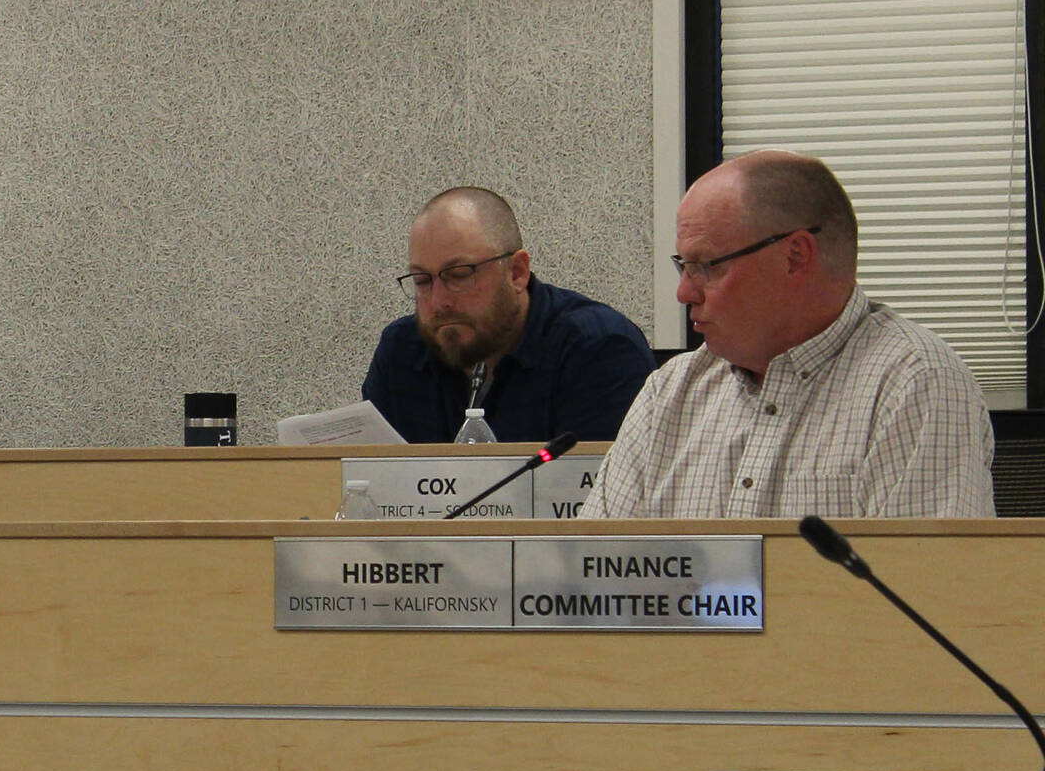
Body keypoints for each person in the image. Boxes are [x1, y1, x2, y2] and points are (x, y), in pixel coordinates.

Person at [583, 151, 995, 518]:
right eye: (684, 266)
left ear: (795, 256)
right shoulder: (670, 392)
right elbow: (593, 576)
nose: (684, 292)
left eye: (706, 266)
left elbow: (924, 588)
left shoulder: (914, 381)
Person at [361, 187, 654, 444]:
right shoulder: (401, 350)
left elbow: (601, 496)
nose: (438, 302)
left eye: (459, 276)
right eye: (422, 281)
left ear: (517, 273)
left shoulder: (600, 349)